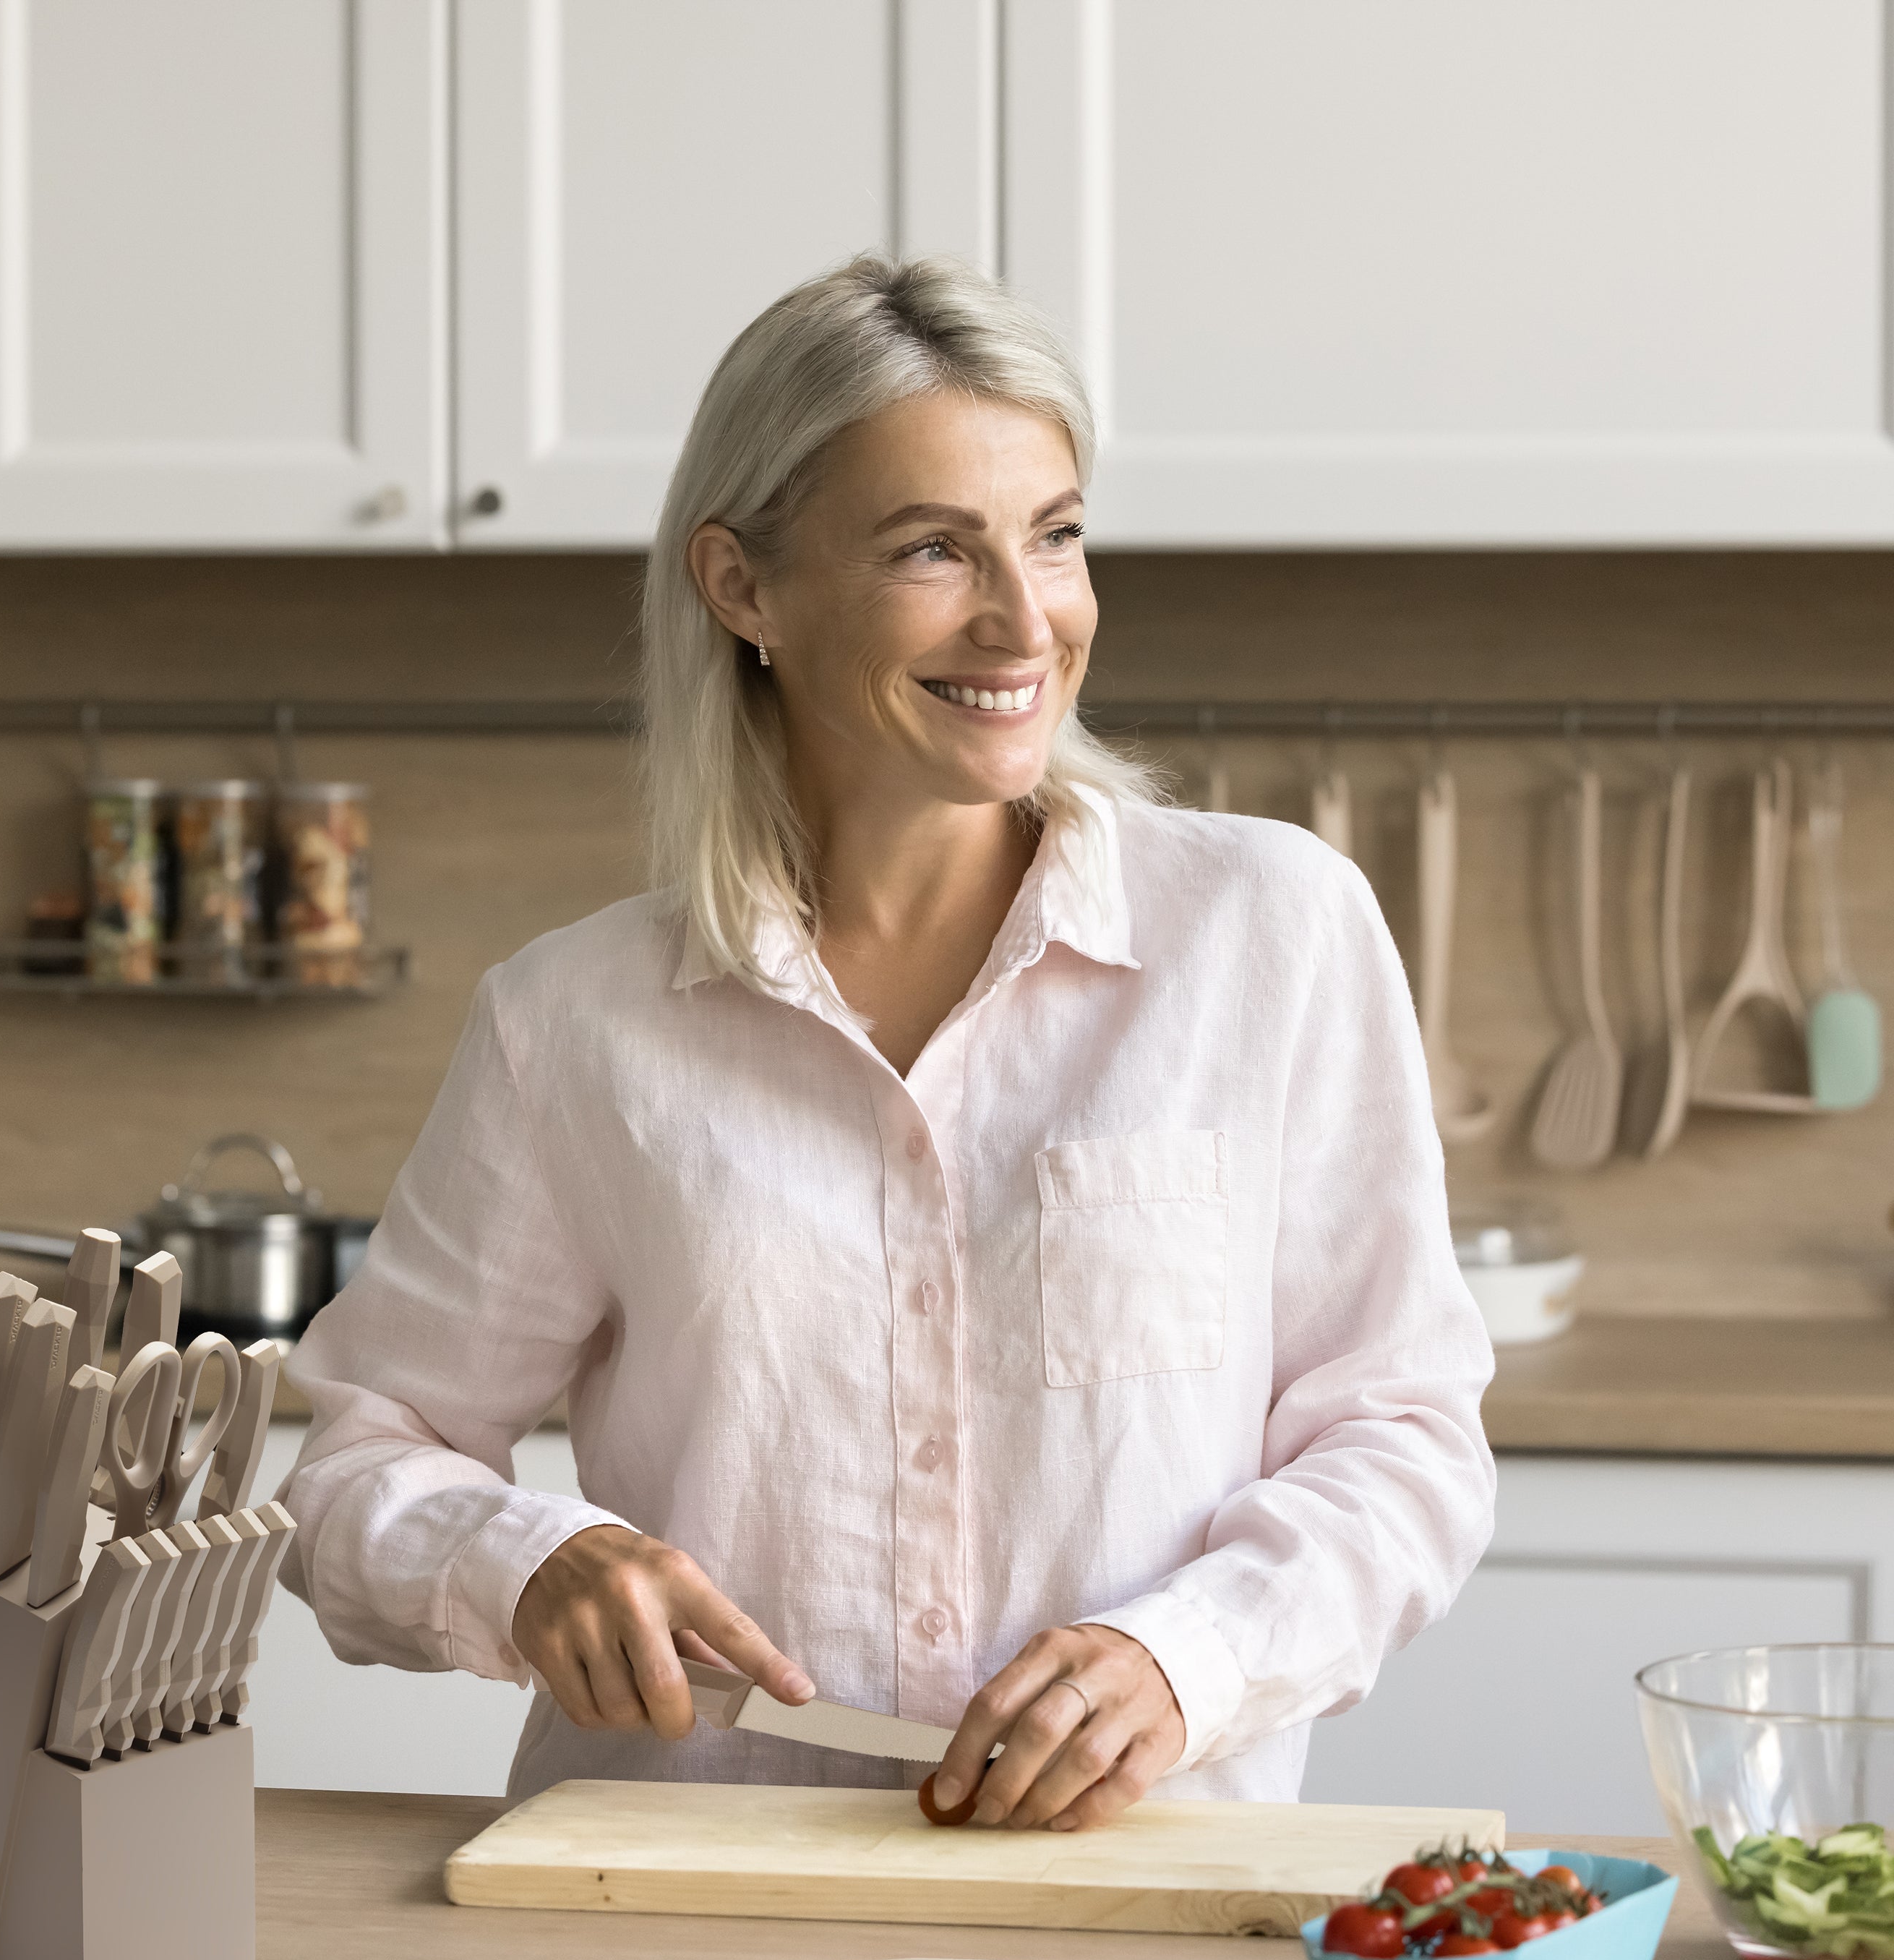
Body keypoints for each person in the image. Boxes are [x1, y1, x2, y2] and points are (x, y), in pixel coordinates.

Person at [280, 254, 1494, 1831]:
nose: (1023, 619)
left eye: (1054, 537)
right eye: (934, 547)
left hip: (1136, 1898)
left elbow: (1401, 1439)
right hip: (682, 1894)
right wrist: (527, 1562)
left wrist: (1181, 1660)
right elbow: (366, 1459)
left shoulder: (1273, 932)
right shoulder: (574, 1026)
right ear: (742, 588)